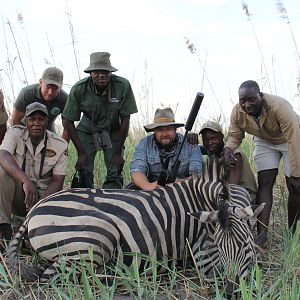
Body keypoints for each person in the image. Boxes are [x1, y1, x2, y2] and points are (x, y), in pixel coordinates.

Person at [223, 80, 300, 247]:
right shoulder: (237, 111)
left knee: (294, 185)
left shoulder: (279, 107)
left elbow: (294, 139)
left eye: (252, 99)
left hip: (290, 140)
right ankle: (262, 235)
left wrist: (296, 173)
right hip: (264, 140)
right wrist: (228, 149)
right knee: (265, 183)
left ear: (261, 96)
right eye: (243, 100)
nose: (247, 104)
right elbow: (234, 135)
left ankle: (293, 233)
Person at [62, 52, 137, 189]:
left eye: (105, 72)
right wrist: (81, 152)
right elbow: (68, 121)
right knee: (84, 170)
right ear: (90, 72)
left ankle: (112, 201)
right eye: (97, 72)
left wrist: (117, 152)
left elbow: (125, 120)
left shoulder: (123, 86)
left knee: (115, 169)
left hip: (114, 131)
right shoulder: (79, 88)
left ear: (110, 72)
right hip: (87, 131)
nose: (101, 75)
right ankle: (85, 202)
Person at [0, 102, 68, 241]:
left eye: (41, 119)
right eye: (32, 119)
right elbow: (3, 155)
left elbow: (58, 180)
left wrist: (38, 207)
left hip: (43, 197)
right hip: (18, 196)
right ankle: (4, 228)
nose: (36, 123)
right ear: (26, 121)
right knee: (1, 170)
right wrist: (26, 181)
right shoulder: (15, 133)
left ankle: (37, 225)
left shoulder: (60, 144)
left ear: (47, 122)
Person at [130, 107, 202, 190]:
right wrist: (148, 186)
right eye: (160, 130)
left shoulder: (190, 144)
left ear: (175, 130)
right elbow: (136, 171)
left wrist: (175, 182)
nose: (165, 134)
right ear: (154, 132)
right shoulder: (144, 144)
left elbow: (196, 175)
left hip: (183, 189)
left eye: (168, 129)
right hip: (152, 189)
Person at [199, 120, 257, 201]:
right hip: (228, 191)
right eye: (205, 139)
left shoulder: (233, 153)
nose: (209, 143)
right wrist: (190, 137)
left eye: (213, 138)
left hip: (244, 194)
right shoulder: (212, 150)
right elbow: (199, 148)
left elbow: (232, 188)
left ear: (222, 137)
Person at [11, 67, 69, 140]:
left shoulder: (65, 99)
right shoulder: (26, 93)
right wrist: (20, 139)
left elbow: (68, 126)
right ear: (41, 83)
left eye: (55, 88)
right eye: (47, 87)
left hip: (47, 130)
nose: (50, 92)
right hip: (24, 128)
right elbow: (15, 120)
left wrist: (63, 146)